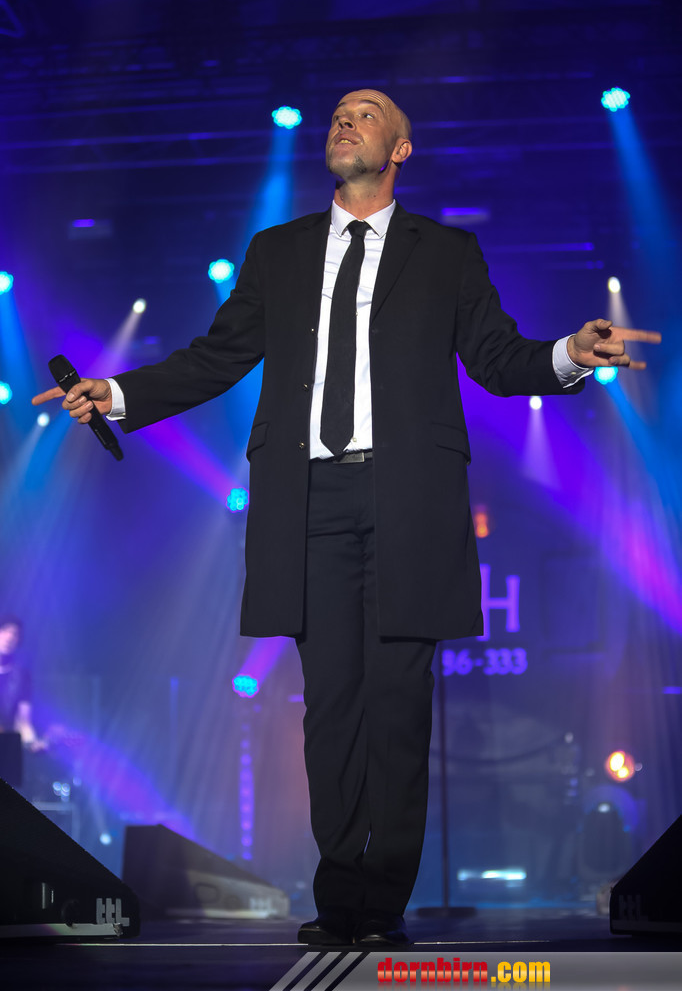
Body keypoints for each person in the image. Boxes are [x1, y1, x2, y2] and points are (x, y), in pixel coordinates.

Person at [33, 89, 661, 946]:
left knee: (398, 710)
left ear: (401, 148)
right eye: (337, 113)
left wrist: (570, 356)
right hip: (308, 500)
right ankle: (339, 904)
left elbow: (497, 358)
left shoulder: (445, 252)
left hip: (409, 500)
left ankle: (382, 906)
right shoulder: (279, 250)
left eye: (365, 113)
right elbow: (217, 358)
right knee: (329, 709)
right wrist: (114, 393)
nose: (344, 120)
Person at [0, 616, 44, 750]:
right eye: (5, 631)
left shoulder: (22, 676)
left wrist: (32, 742)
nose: (9, 637)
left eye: (15, 634)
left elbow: (23, 719)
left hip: (6, 747)